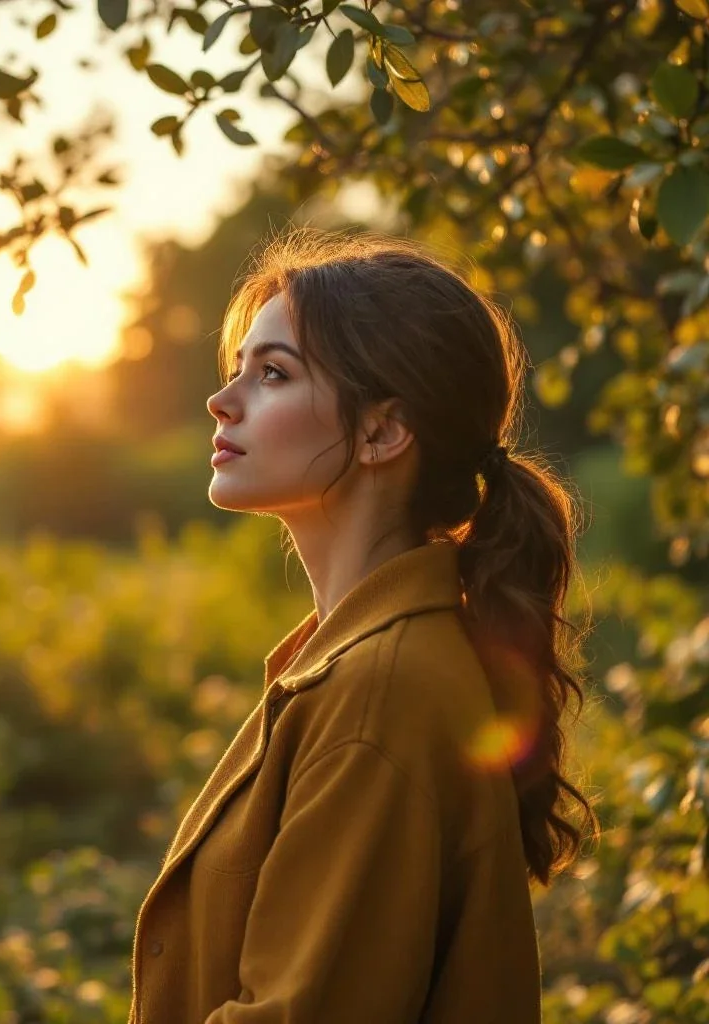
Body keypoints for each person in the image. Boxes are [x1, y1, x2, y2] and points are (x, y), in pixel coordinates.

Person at [127, 229, 598, 1024]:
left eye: (273, 373)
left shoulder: (377, 692)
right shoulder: (359, 663)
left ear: (383, 431)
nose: (223, 399)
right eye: (237, 367)